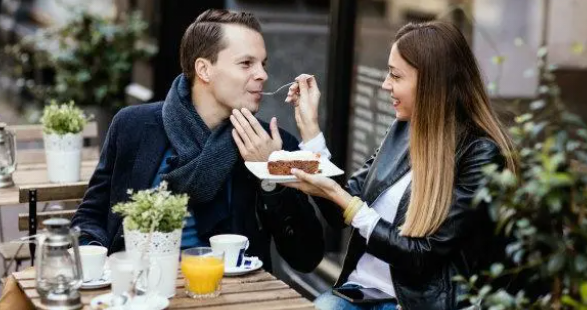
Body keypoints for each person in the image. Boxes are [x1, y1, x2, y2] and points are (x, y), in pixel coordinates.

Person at [282, 21, 518, 309]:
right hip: (361, 293)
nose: (385, 84)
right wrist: (311, 132)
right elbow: (341, 207)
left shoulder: (479, 153)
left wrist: (344, 200)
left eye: (395, 75)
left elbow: (420, 255)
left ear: (432, 82)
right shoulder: (402, 129)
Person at [71, 9, 327, 273]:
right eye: (246, 63)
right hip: (139, 287)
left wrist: (270, 175)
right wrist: (93, 260)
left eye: (264, 64)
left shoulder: (272, 144)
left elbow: (306, 257)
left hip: (234, 295)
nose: (262, 74)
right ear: (204, 69)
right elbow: (91, 216)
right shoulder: (134, 125)